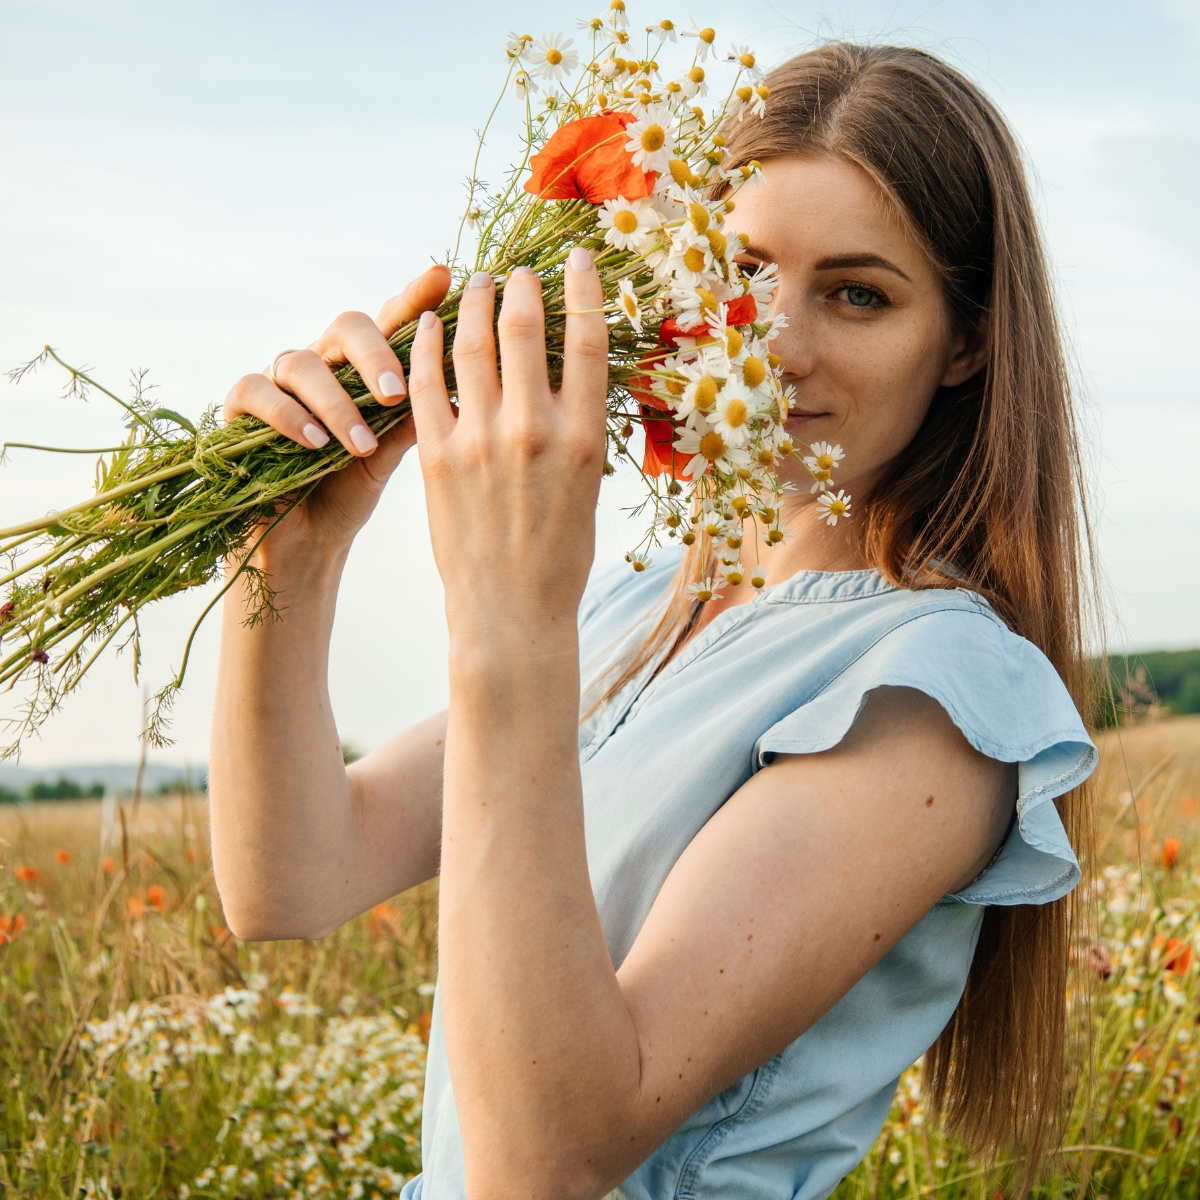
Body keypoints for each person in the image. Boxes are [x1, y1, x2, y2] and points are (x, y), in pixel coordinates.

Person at [210, 42, 1098, 1200]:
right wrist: (289, 560)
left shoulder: (936, 691)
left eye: (858, 294)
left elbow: (548, 1163)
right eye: (740, 270)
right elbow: (289, 878)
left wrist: (508, 619)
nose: (771, 344)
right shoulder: (643, 608)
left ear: (967, 344)